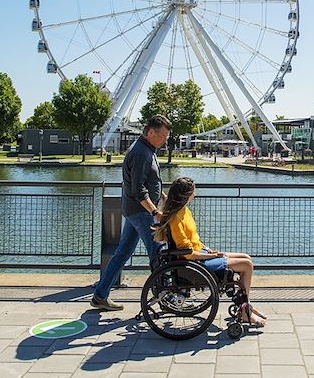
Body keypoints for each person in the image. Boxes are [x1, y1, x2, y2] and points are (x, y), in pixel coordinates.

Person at [152, 176, 268, 327]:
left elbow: (194, 240)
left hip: (198, 257)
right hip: (192, 263)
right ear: (186, 195)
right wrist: (210, 255)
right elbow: (187, 251)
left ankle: (245, 305)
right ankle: (244, 310)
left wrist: (208, 250)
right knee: (246, 265)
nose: (195, 195)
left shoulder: (184, 211)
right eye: (193, 192)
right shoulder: (176, 218)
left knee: (246, 258)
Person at [90, 115, 172, 311]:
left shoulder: (145, 149)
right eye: (163, 137)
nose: (165, 141)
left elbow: (147, 181)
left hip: (134, 210)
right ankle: (164, 296)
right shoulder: (142, 153)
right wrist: (154, 211)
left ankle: (100, 296)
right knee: (158, 253)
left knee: (122, 253)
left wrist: (163, 195)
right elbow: (138, 189)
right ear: (151, 132)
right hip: (141, 212)